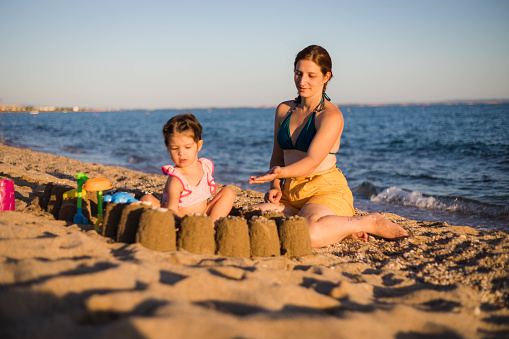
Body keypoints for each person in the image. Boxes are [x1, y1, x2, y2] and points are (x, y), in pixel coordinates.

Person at [248, 45, 408, 248]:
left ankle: (368, 221)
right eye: (298, 73)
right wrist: (275, 185)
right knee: (251, 218)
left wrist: (279, 172)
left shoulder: (331, 116)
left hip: (324, 190)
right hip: (291, 193)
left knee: (308, 234)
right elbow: (277, 155)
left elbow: (312, 162)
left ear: (326, 77)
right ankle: (339, 230)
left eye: (311, 75)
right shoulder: (284, 110)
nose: (302, 81)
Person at [141, 113, 236, 227]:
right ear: (168, 148)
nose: (181, 153)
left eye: (187, 147)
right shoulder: (176, 179)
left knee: (228, 192)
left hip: (203, 214)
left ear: (199, 145)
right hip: (180, 220)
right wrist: (183, 224)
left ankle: (211, 226)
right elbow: (172, 210)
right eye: (175, 148)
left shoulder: (205, 167)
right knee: (147, 200)